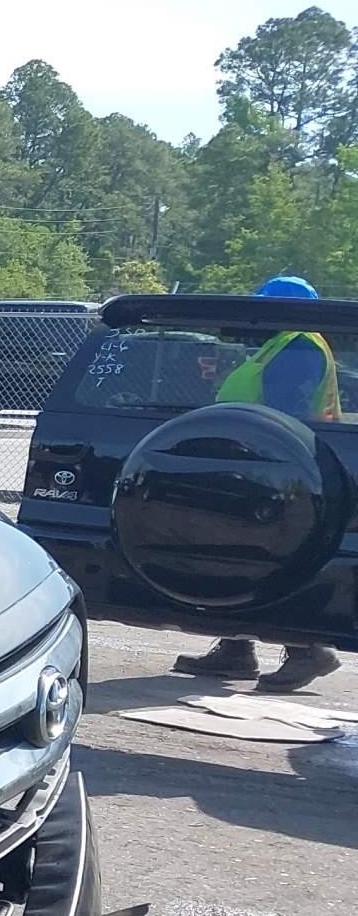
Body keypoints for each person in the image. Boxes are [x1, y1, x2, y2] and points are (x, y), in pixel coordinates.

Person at [175, 274, 342, 693]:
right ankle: (235, 650)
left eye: (263, 307)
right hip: (257, 460)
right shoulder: (279, 345)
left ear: (281, 309)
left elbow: (286, 413)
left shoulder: (298, 345)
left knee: (264, 558)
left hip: (275, 464)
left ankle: (307, 650)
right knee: (238, 558)